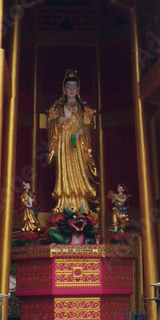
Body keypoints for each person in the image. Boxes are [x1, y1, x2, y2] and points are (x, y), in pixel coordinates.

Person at [47, 70, 98, 216]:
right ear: (64, 89)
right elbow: (51, 125)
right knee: (64, 174)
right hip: (64, 144)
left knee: (79, 173)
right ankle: (64, 203)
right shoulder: (57, 108)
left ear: (78, 89)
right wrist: (62, 119)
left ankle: (81, 203)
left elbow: (87, 127)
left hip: (77, 146)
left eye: (74, 87)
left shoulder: (83, 108)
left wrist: (81, 132)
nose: (71, 90)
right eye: (68, 87)